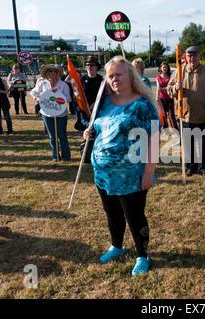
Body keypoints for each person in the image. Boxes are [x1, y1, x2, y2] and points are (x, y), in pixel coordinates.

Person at [83, 56, 160, 276]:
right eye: (110, 76)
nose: (114, 79)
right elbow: (100, 128)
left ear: (130, 76)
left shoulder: (142, 105)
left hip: (131, 175)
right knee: (112, 213)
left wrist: (149, 172)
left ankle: (142, 255)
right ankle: (117, 245)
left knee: (135, 217)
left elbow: (154, 139)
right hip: (103, 173)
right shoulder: (104, 102)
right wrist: (90, 132)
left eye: (118, 74)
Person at [167, 46, 205, 178]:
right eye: (189, 56)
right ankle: (191, 166)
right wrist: (175, 87)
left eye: (195, 55)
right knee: (188, 145)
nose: (192, 58)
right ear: (185, 57)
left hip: (204, 117)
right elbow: (169, 90)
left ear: (199, 56)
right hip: (185, 117)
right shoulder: (179, 72)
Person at [30, 64, 72, 161]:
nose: (52, 73)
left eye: (55, 71)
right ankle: (55, 155)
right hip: (47, 113)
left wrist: (58, 95)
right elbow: (34, 91)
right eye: (50, 71)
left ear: (58, 73)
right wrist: (37, 98)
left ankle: (66, 156)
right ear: (47, 73)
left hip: (61, 114)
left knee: (62, 135)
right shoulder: (42, 83)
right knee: (52, 136)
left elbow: (69, 98)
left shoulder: (63, 85)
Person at [75, 56, 103, 131]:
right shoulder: (82, 80)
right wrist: (78, 105)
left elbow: (105, 95)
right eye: (87, 65)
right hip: (85, 110)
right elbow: (77, 94)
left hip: (99, 109)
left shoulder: (102, 80)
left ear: (96, 67)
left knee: (97, 130)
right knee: (86, 132)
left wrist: (95, 104)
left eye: (91, 65)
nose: (89, 67)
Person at [155, 62, 178, 131]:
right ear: (161, 68)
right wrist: (157, 97)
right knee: (163, 115)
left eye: (166, 67)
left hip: (170, 97)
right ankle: (166, 130)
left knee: (171, 115)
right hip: (162, 98)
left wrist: (164, 88)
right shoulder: (158, 77)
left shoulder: (171, 76)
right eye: (163, 67)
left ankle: (175, 130)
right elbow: (158, 88)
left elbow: (172, 86)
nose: (165, 69)